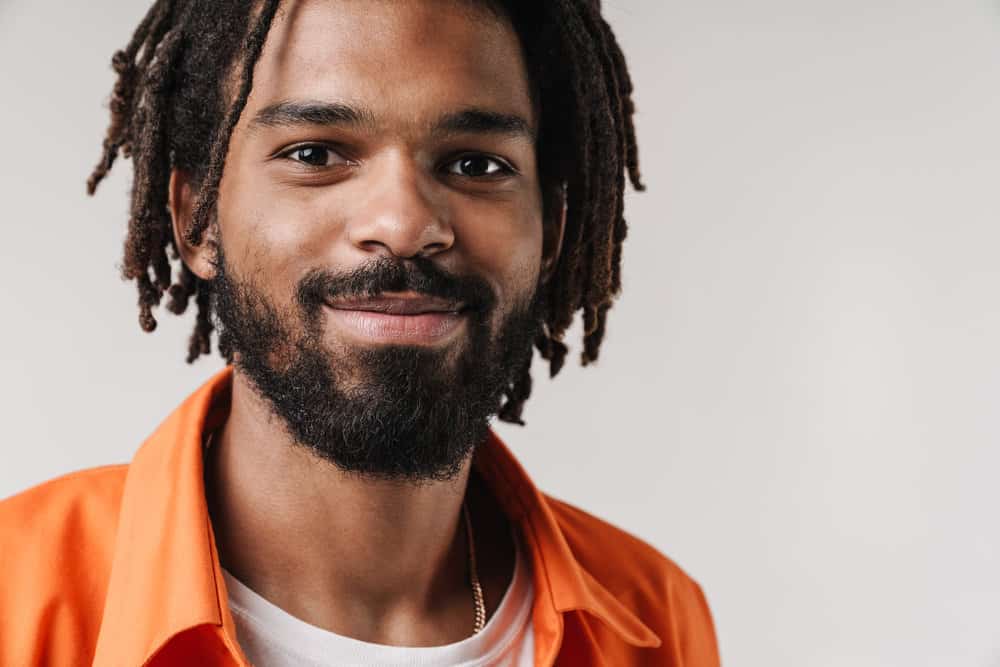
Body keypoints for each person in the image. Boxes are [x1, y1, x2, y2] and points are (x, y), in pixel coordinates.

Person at [0, 1, 720, 665]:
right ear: (197, 219)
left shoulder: (655, 615)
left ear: (552, 232)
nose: (404, 223)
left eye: (476, 164)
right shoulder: (16, 595)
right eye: (316, 153)